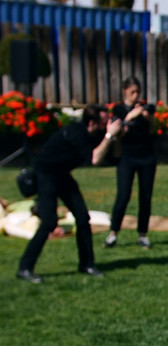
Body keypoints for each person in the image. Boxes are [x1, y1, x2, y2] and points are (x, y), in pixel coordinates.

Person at [16, 104, 123, 283]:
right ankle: (25, 268)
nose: (108, 124)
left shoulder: (96, 135)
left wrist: (117, 138)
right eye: (105, 122)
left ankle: (87, 264)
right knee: (49, 223)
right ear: (92, 123)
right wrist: (110, 135)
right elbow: (94, 159)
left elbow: (115, 158)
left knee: (82, 218)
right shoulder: (76, 132)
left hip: (62, 175)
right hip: (46, 174)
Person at [104, 77, 158, 249]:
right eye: (132, 92)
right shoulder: (119, 110)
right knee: (123, 195)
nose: (135, 96)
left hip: (146, 156)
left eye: (138, 92)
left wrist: (147, 117)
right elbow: (118, 133)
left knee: (146, 196)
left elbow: (153, 130)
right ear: (125, 91)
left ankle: (143, 234)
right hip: (127, 156)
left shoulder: (144, 109)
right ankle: (113, 233)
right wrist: (129, 117)